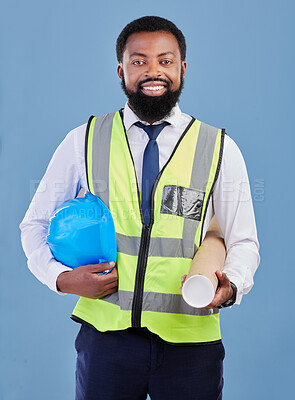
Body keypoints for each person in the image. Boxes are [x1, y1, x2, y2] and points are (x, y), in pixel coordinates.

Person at [20, 16, 260, 400]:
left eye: (165, 61)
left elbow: (243, 240)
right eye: (139, 61)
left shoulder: (218, 147)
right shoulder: (84, 139)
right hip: (106, 342)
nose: (153, 71)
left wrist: (230, 286)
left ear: (182, 69)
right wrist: (61, 279)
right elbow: (33, 224)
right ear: (121, 70)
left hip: (191, 342)